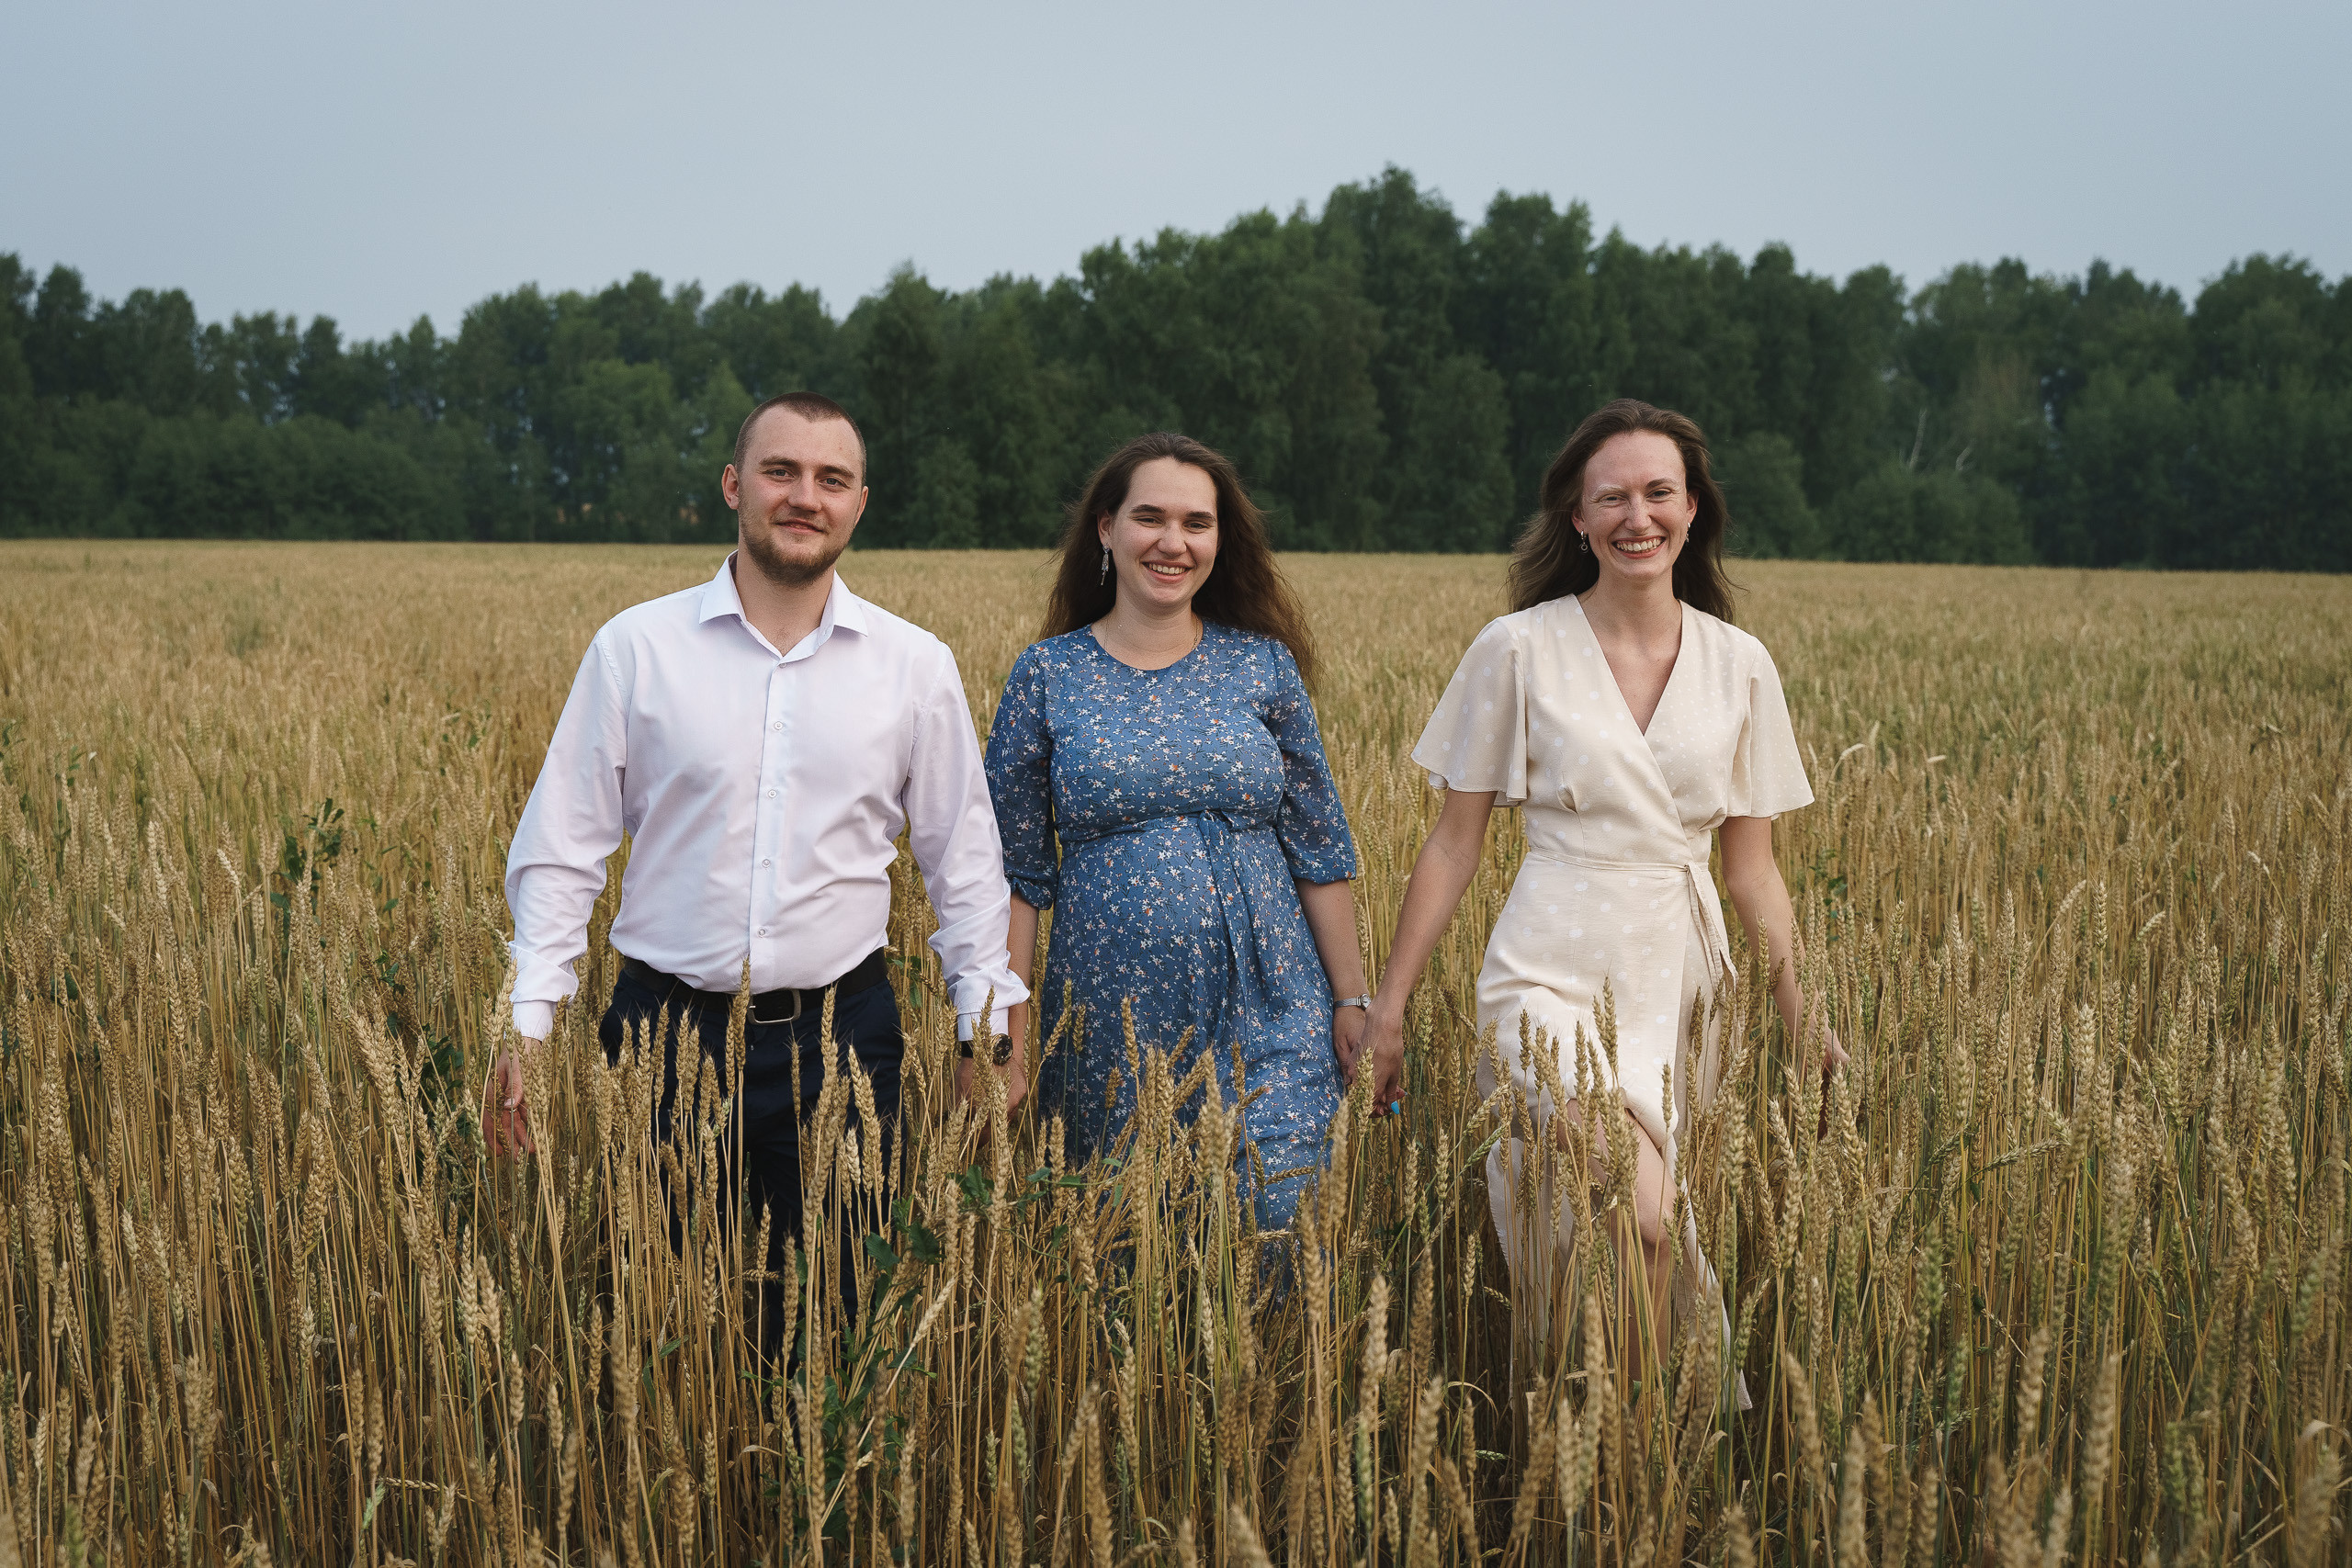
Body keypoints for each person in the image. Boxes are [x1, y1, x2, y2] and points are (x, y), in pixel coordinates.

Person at [489, 391, 1028, 1349]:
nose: (803, 497)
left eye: (830, 479)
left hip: (841, 1041)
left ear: (860, 503)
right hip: (661, 1033)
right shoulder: (635, 649)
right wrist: (529, 1024)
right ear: (736, 485)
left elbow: (965, 867)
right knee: (656, 1326)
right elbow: (564, 850)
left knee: (840, 1323)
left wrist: (984, 1033)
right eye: (781, 471)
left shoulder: (913, 666)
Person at [1351, 398, 1843, 1371]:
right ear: (1576, 519)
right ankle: (1662, 1422)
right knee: (1644, 1206)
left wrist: (1803, 1009)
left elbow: (1752, 870)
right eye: (1609, 497)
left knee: (1629, 1236)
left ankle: (1637, 1448)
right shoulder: (1517, 648)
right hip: (1545, 972)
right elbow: (1453, 845)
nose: (1637, 516)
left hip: (1679, 983)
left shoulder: (1739, 665)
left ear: (1694, 508)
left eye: (1659, 492)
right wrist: (1391, 1006)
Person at [984, 433, 1366, 1234]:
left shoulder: (1264, 666)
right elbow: (1014, 877)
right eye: (1149, 517)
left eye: (1197, 522)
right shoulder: (1046, 674)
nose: (1173, 541)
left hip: (1275, 998)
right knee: (1131, 1244)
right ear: (1106, 529)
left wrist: (1352, 999)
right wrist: (1005, 1041)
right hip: (1109, 1015)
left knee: (1281, 1222)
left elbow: (1320, 847)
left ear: (1219, 541)